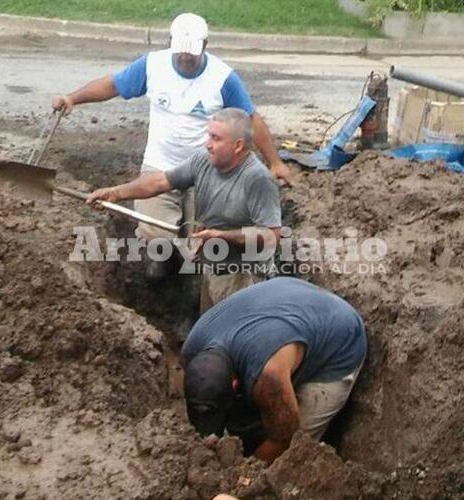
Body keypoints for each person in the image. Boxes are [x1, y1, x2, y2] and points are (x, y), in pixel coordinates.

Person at [53, 12, 292, 279]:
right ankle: (162, 266)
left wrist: (275, 162)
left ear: (205, 46)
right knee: (157, 236)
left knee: (204, 240)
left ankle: (195, 278)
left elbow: (250, 119)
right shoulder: (152, 66)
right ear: (170, 42)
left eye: (191, 53)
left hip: (206, 171)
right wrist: (72, 98)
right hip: (161, 163)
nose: (185, 58)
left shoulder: (223, 78)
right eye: (180, 52)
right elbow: (113, 85)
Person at [86, 108, 281, 319]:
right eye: (208, 136)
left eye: (215, 138)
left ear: (238, 146)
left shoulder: (257, 179)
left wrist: (222, 236)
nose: (208, 143)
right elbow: (160, 182)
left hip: (246, 279)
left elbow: (272, 236)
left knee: (237, 339)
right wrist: (115, 193)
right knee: (211, 332)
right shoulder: (203, 161)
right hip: (215, 270)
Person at [181, 277, 368, 465]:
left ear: (235, 384)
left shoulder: (268, 377)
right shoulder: (191, 349)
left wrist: (243, 476)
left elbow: (285, 439)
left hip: (338, 338)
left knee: (295, 451)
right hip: (287, 302)